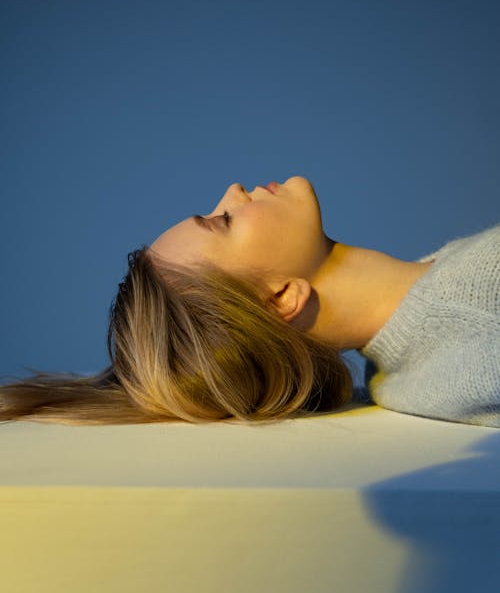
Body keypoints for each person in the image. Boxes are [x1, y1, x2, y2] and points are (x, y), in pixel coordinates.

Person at [1, 176, 498, 427]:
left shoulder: (397, 381)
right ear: (282, 298)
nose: (233, 191)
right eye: (224, 221)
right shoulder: (479, 310)